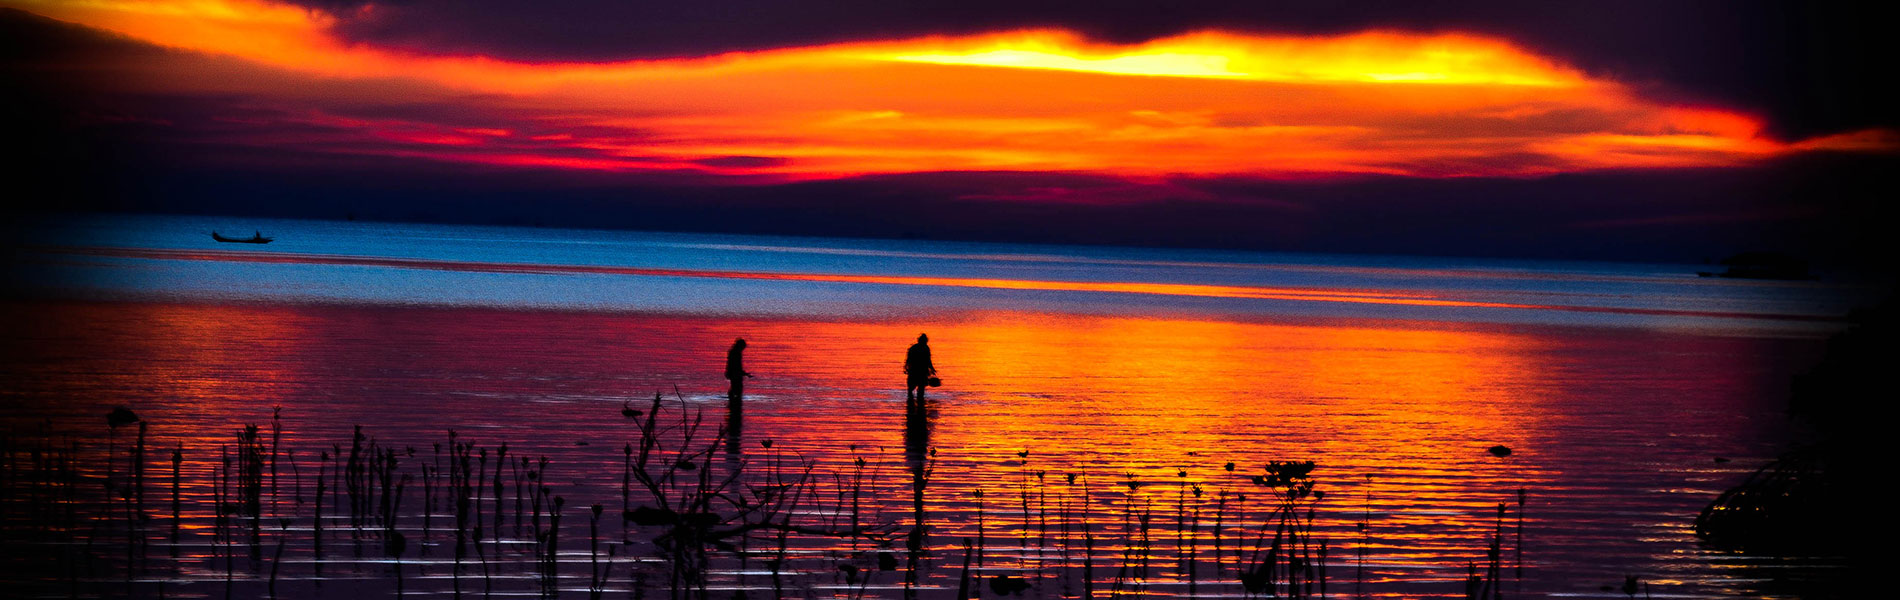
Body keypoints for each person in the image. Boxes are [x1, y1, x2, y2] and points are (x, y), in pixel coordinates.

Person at [905, 333, 935, 403]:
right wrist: (931, 368)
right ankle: (919, 403)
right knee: (919, 388)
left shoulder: (914, 348)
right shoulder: (925, 348)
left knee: (912, 388)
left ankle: (911, 402)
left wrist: (906, 367)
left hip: (915, 370)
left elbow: (908, 359)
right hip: (920, 370)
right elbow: (928, 360)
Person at [726, 338, 750, 402]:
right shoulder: (736, 353)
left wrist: (744, 373)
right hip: (735, 374)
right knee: (737, 388)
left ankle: (732, 401)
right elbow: (736, 365)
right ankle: (734, 402)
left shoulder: (733, 352)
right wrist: (742, 373)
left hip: (734, 373)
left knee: (734, 388)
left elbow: (733, 365)